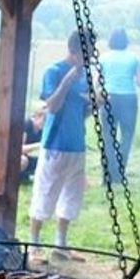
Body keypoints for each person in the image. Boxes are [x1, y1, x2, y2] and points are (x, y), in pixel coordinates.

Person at [28, 31, 91, 258]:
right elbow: (52, 106)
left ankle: (60, 245)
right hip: (55, 143)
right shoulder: (54, 72)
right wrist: (68, 80)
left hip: (77, 143)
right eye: (86, 55)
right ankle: (34, 245)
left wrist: (97, 104)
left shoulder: (85, 76)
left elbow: (82, 112)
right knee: (46, 193)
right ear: (73, 52)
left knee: (71, 195)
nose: (89, 61)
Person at [97, 27, 140, 183]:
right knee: (127, 136)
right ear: (126, 41)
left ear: (110, 41)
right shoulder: (134, 59)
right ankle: (119, 171)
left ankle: (108, 174)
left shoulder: (103, 58)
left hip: (108, 98)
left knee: (108, 137)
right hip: (128, 99)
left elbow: (97, 82)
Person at [19, 105, 46, 182]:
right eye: (44, 120)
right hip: (15, 157)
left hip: (28, 156)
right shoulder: (27, 124)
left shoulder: (41, 130)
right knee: (23, 160)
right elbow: (19, 149)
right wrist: (38, 145)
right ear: (37, 117)